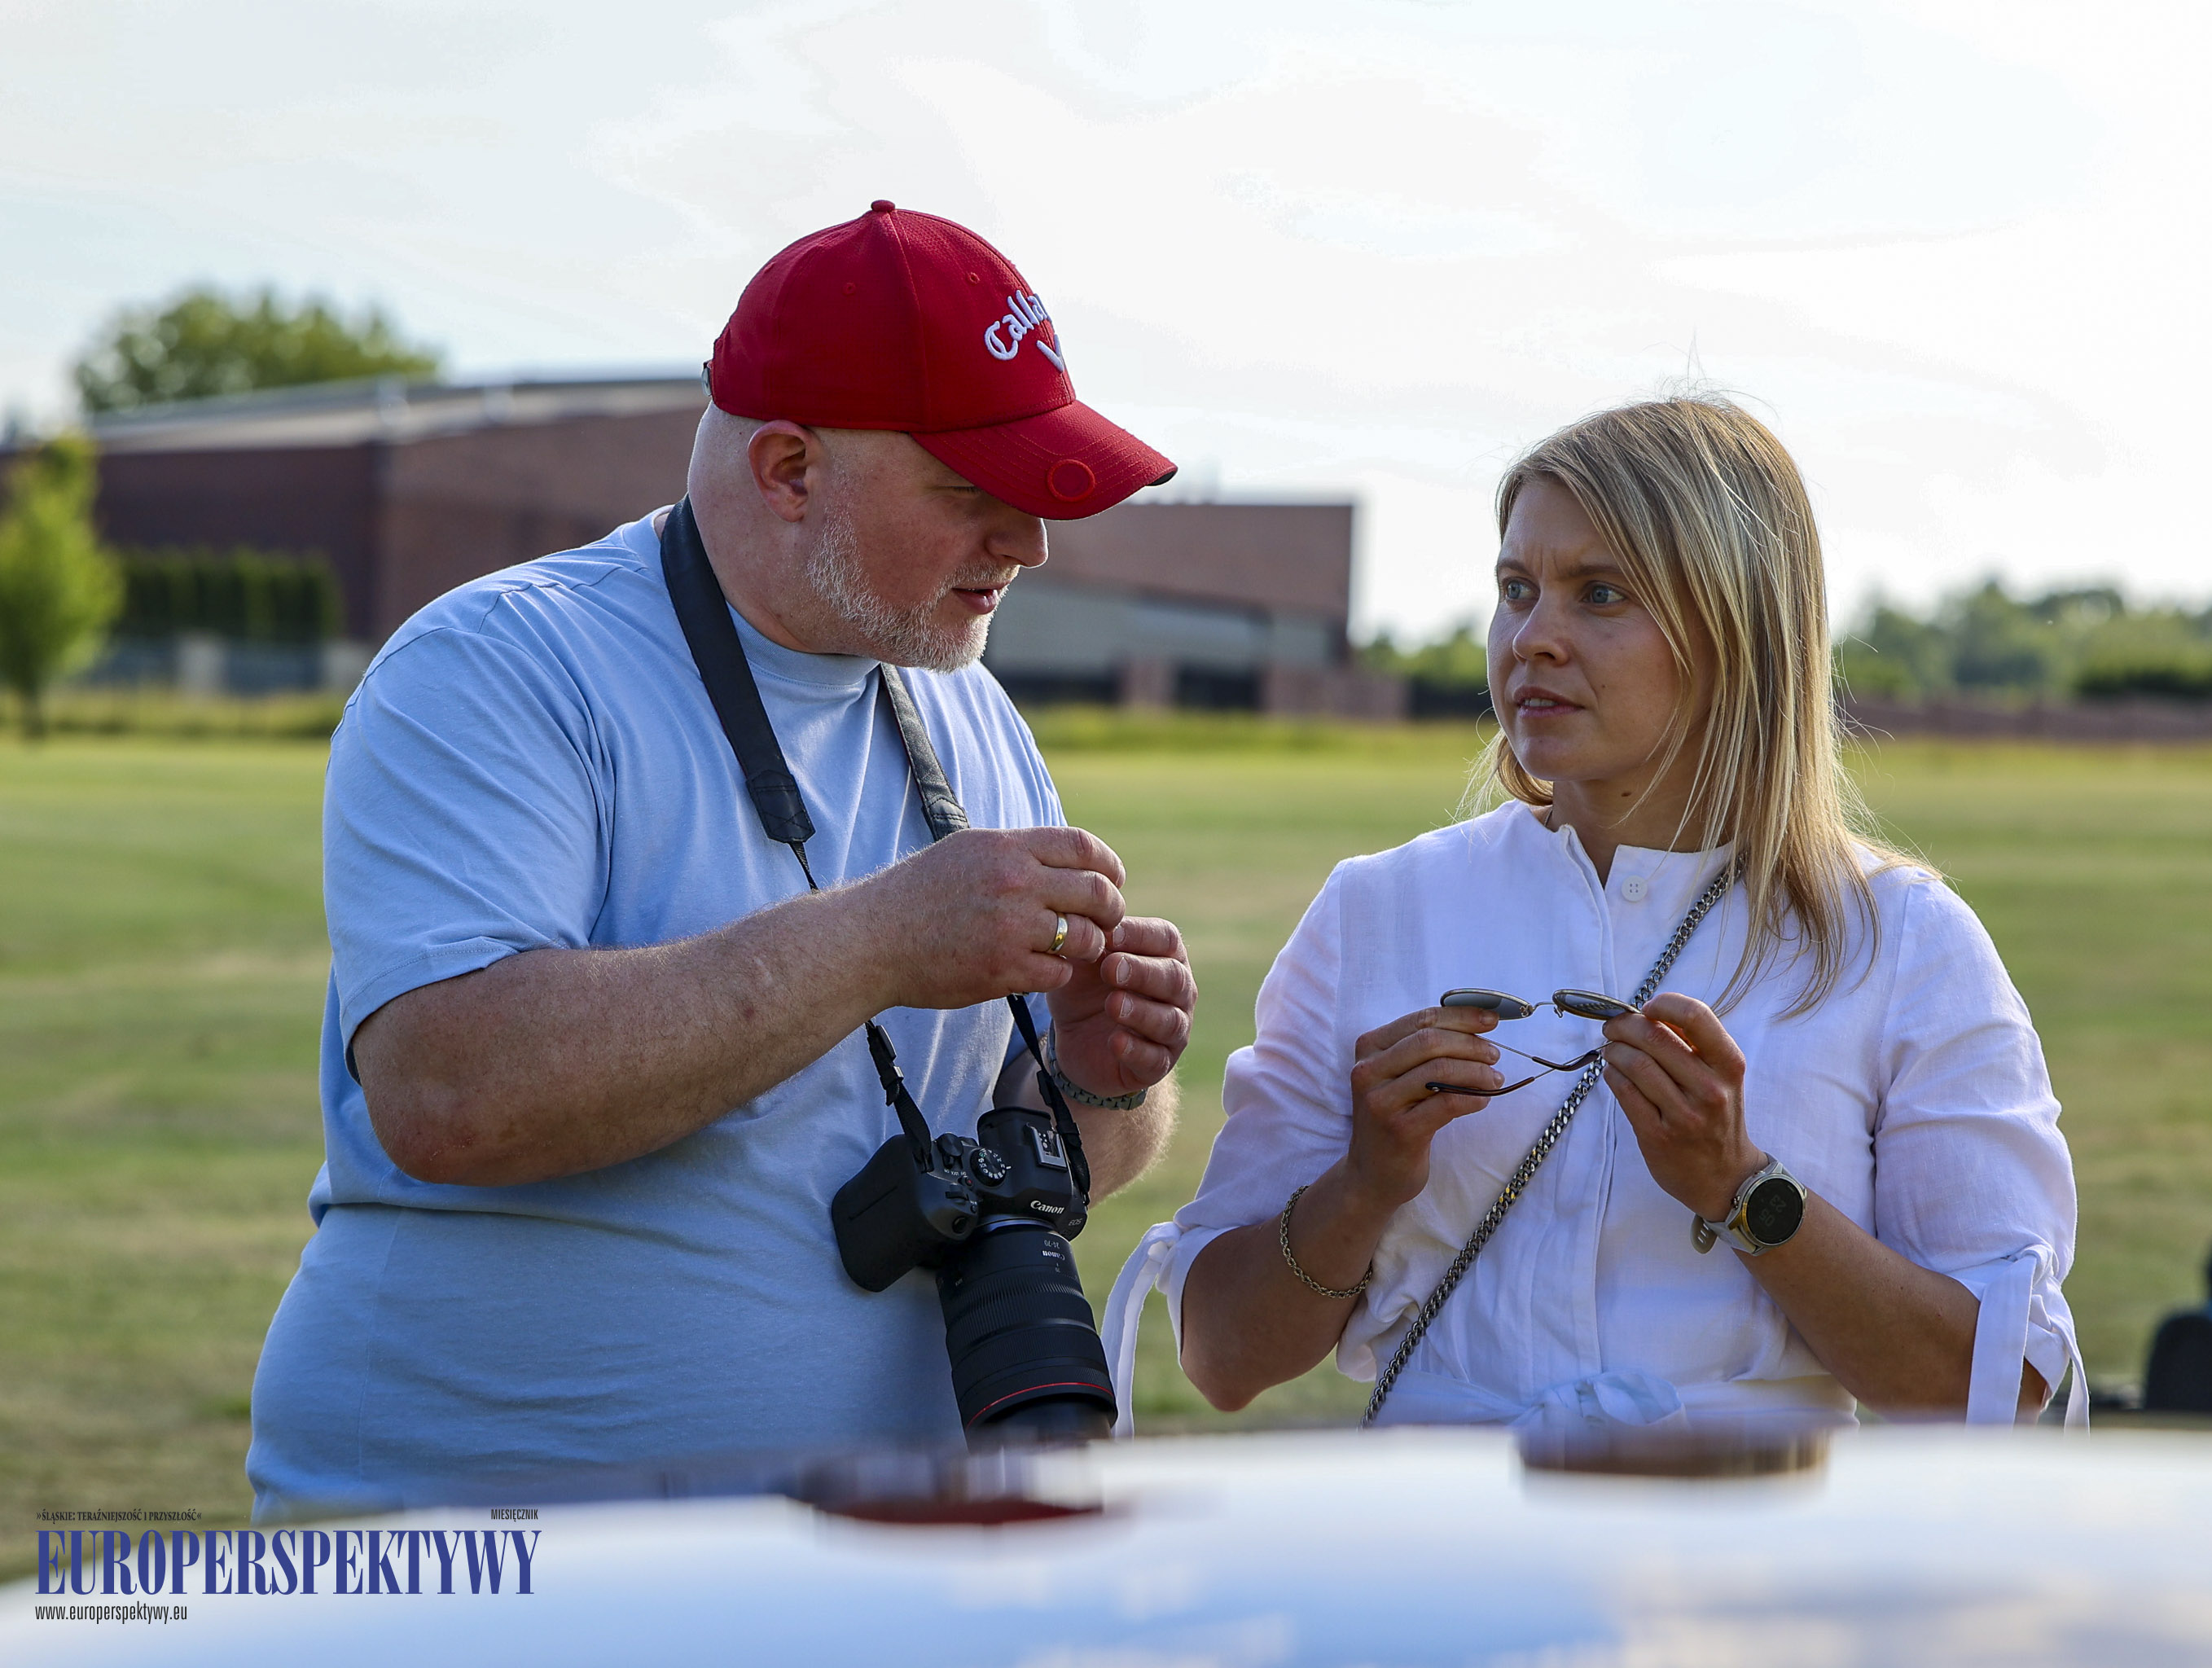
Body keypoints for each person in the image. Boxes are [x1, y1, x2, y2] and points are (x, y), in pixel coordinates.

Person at [248, 202, 1200, 1516]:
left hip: (874, 1558)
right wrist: (878, 940)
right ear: (790, 467)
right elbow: (447, 1093)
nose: (1027, 544)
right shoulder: (498, 665)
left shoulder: (964, 701)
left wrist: (1098, 1080)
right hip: (487, 1554)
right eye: (974, 493)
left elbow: (1025, 1158)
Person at [1108, 396, 2080, 1436]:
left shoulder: (1901, 941)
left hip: (1751, 1563)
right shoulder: (1379, 909)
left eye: (1599, 593)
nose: (1534, 638)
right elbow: (1219, 1355)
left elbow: (1999, 1393)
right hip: (1452, 1561)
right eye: (1516, 589)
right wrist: (1366, 1182)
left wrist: (1743, 1189)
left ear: (1735, 628)